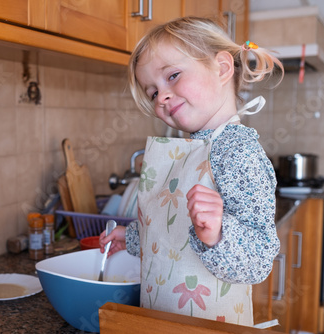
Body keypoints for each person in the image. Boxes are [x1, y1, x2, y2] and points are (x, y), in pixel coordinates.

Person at [99, 16, 283, 326]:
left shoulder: (237, 151)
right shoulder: (184, 152)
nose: (162, 97)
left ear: (222, 68)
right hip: (162, 320)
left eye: (172, 75)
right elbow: (171, 232)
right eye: (153, 92)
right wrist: (131, 237)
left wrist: (218, 233)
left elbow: (259, 260)